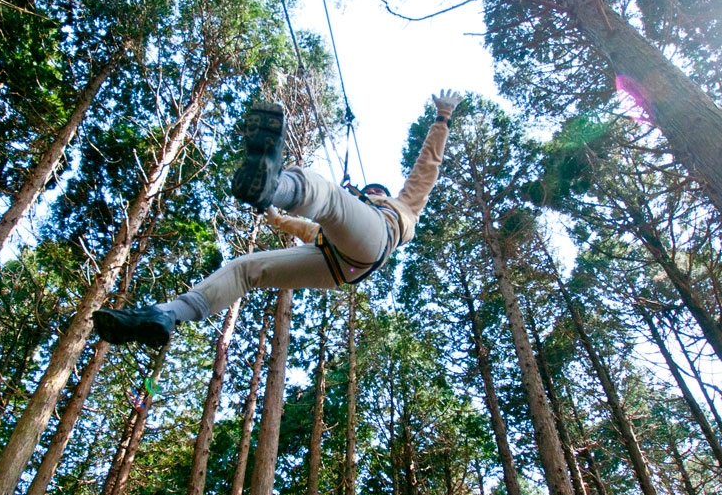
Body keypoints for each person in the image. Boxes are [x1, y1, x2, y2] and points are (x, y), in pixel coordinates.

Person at [92, 89, 464, 347]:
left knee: (330, 196)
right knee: (246, 269)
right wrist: (275, 216)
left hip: (370, 247)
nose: (373, 192)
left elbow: (425, 168)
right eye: (371, 190)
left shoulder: (400, 207)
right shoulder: (351, 211)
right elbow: (306, 228)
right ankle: (164, 315)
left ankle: (274, 185)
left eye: (377, 191)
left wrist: (442, 118)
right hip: (333, 264)